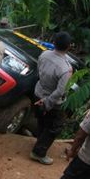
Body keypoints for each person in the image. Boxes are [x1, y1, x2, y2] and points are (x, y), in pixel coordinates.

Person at [31, 32, 73, 165]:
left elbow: (39, 71)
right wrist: (47, 103)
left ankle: (39, 141)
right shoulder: (65, 68)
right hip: (52, 101)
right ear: (68, 47)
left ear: (54, 43)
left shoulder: (44, 55)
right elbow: (60, 91)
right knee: (55, 126)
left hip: (38, 92)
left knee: (42, 121)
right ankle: (38, 152)